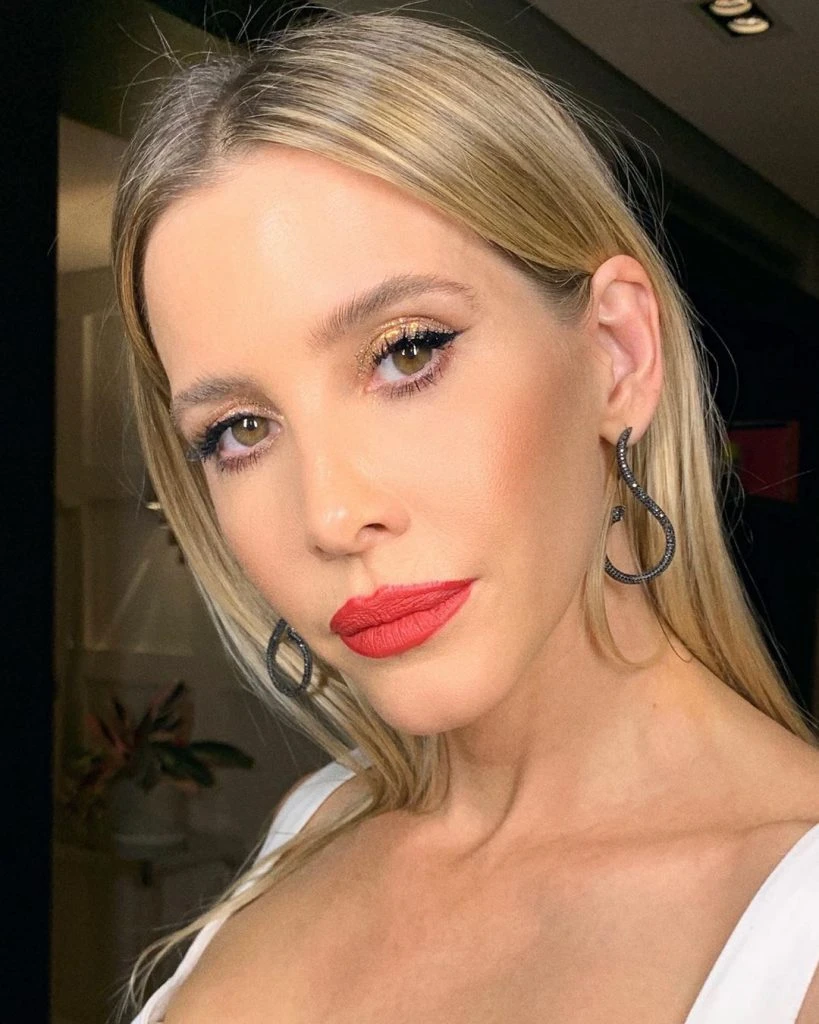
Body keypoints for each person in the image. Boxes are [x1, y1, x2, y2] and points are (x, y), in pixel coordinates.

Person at [111, 8, 819, 1023]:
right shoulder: (315, 819)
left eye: (407, 352)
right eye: (239, 430)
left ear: (617, 353)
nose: (332, 513)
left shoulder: (792, 924)